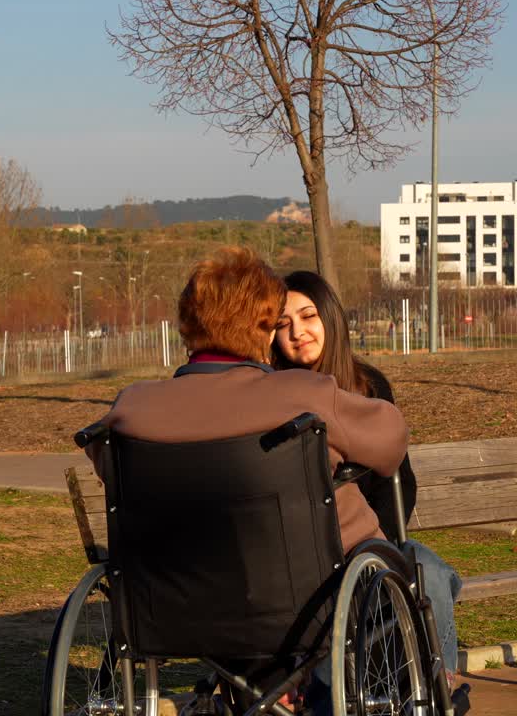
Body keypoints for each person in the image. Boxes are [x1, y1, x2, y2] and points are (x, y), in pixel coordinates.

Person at [88, 247, 409, 712]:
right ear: (264, 326)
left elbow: (106, 466)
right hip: (306, 598)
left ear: (187, 323)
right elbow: (390, 441)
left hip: (172, 602)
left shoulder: (133, 408)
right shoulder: (304, 396)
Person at [272, 269, 465, 682]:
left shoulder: (368, 386)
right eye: (282, 324)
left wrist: (383, 545)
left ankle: (437, 686)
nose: (297, 332)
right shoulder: (272, 393)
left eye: (307, 316)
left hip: (370, 541)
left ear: (329, 317)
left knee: (427, 573)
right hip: (302, 556)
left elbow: (399, 480)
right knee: (424, 577)